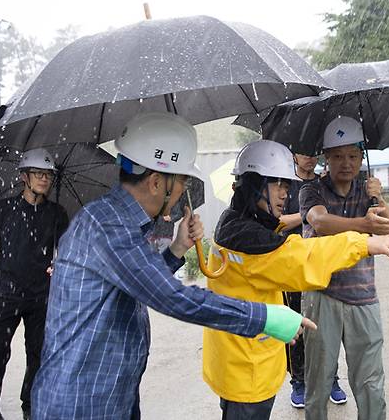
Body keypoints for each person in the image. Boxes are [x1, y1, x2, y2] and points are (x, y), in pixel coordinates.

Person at [30, 113, 313, 420]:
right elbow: (171, 297)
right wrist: (264, 317)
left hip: (112, 392)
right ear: (155, 182)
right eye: (181, 181)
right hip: (81, 401)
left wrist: (178, 248)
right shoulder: (108, 227)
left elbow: (136, 288)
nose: (182, 191)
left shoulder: (119, 222)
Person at [202, 139, 389, 420]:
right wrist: (364, 244)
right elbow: (305, 256)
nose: (285, 193)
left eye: (286, 184)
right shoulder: (252, 242)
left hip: (235, 360)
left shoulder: (232, 222)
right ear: (255, 185)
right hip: (248, 368)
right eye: (277, 184)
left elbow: (266, 233)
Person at [301, 116, 389, 420]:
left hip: (363, 297)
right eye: (338, 156)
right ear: (326, 158)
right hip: (322, 296)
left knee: (370, 382)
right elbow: (319, 221)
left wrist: (379, 198)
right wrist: (363, 225)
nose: (346, 163)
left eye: (353, 156)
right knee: (318, 381)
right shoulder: (311, 191)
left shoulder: (367, 192)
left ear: (361, 157)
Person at [0, 148, 70, 420]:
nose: (44, 179)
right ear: (24, 176)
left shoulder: (57, 213)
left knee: (38, 356)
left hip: (41, 296)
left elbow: (67, 251)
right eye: (39, 173)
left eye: (49, 175)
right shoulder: (4, 209)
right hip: (7, 294)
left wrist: (60, 265)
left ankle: (31, 407)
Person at [279, 153, 348, 408]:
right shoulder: (284, 184)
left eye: (314, 154)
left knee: (326, 326)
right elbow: (279, 223)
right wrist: (307, 211)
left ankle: (331, 378)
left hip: (320, 263)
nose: (310, 159)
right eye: (305, 153)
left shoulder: (323, 185)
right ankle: (299, 381)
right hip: (292, 267)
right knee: (296, 326)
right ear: (294, 154)